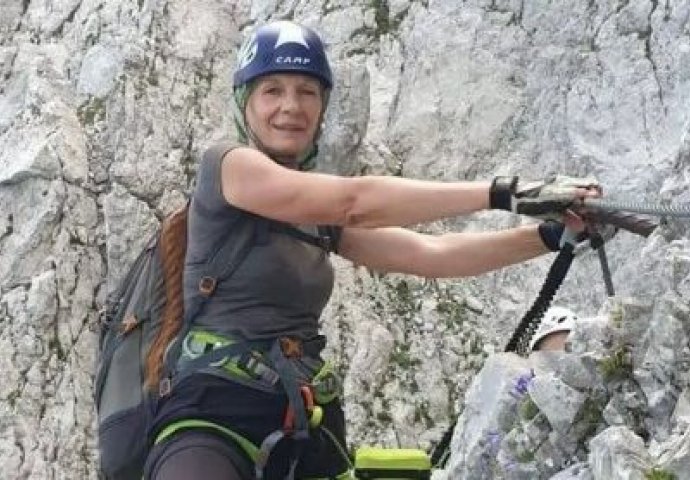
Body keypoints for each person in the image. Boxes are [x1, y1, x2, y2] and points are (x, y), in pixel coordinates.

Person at [143, 20, 602, 480]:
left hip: (301, 420)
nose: (291, 106)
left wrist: (548, 237)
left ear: (322, 106)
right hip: (213, 418)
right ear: (245, 104)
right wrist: (505, 193)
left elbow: (431, 255)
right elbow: (355, 202)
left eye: (307, 91)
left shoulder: (318, 217)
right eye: (272, 90)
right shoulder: (228, 166)